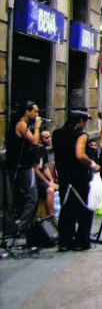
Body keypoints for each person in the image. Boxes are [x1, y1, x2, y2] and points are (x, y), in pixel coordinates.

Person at [53, 110, 99, 252]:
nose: (85, 124)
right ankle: (81, 241)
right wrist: (92, 163)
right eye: (85, 121)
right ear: (80, 121)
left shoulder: (57, 134)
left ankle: (64, 241)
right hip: (79, 178)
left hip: (64, 178)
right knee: (84, 209)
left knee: (66, 209)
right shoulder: (81, 135)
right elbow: (79, 155)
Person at [6, 101, 42, 242]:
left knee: (24, 196)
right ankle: (21, 226)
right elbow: (34, 141)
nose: (36, 114)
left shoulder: (22, 124)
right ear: (27, 111)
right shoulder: (21, 124)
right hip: (22, 166)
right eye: (35, 111)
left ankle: (22, 225)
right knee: (32, 196)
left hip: (22, 165)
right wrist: (37, 127)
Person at [34, 129, 57, 219]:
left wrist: (51, 179)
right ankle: (51, 215)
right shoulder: (36, 151)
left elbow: (45, 167)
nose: (49, 139)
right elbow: (36, 170)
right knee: (50, 190)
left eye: (50, 137)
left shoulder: (43, 150)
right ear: (40, 139)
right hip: (34, 180)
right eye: (47, 138)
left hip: (41, 179)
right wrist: (48, 183)